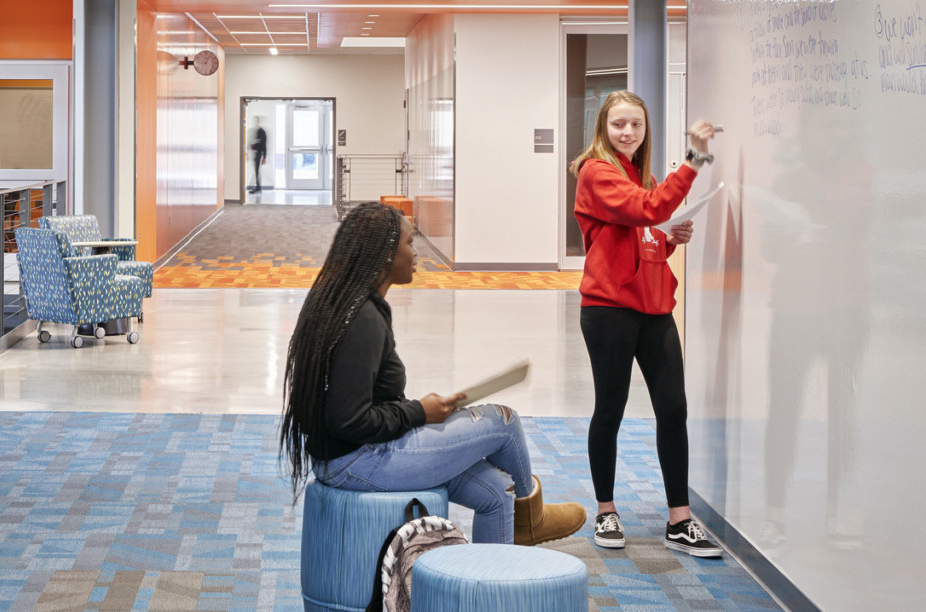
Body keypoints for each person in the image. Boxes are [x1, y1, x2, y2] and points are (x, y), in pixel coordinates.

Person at [281, 201, 586, 545]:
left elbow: (359, 403)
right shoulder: (363, 319)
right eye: (409, 244)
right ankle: (532, 519)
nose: (416, 254)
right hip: (356, 461)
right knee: (505, 422)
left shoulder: (343, 301)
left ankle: (484, 590)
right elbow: (347, 421)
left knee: (499, 491)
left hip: (351, 456)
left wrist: (423, 412)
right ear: (384, 255)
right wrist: (418, 413)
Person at [572, 90, 721, 557]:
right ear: (603, 128)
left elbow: (649, 232)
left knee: (673, 410)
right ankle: (606, 510)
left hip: (654, 307)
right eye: (618, 124)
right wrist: (695, 161)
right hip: (609, 308)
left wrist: (671, 236)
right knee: (610, 410)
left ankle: (679, 520)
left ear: (645, 129)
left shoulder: (642, 175)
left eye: (635, 124)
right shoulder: (596, 172)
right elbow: (648, 210)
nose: (627, 132)